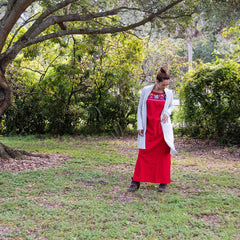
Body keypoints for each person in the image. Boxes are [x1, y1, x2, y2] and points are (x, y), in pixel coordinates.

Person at [128, 66, 176, 192]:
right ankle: (136, 181)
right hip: (148, 129)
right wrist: (139, 125)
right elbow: (140, 109)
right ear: (157, 82)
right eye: (163, 85)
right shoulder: (146, 91)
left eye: (167, 85)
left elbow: (171, 107)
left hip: (162, 130)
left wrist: (167, 113)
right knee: (143, 155)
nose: (165, 87)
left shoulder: (169, 93)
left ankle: (163, 182)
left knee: (164, 156)